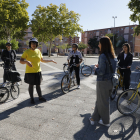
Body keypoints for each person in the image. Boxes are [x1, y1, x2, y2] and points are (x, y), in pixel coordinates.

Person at [89, 36, 117, 127]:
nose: (98, 45)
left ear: (103, 45)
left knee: (103, 101)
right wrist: (100, 66)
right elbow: (111, 69)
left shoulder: (102, 56)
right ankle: (94, 117)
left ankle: (106, 121)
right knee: (101, 100)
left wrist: (96, 68)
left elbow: (101, 72)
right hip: (111, 82)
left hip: (103, 82)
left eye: (99, 43)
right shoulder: (113, 55)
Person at [20, 38, 57, 104]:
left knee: (38, 85)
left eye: (35, 43)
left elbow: (42, 60)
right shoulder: (26, 51)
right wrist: (26, 61)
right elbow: (21, 61)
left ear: (36, 44)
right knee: (31, 85)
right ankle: (31, 98)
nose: (33, 44)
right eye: (32, 43)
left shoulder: (38, 51)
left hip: (38, 71)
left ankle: (40, 97)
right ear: (30, 44)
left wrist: (50, 60)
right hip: (30, 71)